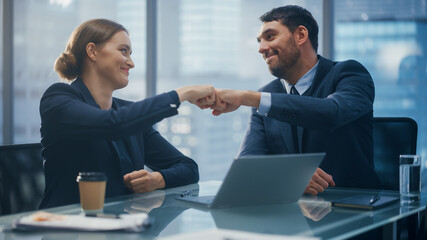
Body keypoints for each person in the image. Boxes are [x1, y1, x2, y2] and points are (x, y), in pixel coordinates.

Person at [39, 19, 215, 209]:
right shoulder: (58, 99)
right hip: (66, 231)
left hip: (120, 229)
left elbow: (188, 168)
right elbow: (111, 125)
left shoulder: (128, 115)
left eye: (131, 54)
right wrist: (182, 94)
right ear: (92, 51)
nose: (131, 63)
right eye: (123, 51)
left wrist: (157, 179)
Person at [211, 5, 381, 195]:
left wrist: (248, 98)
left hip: (356, 212)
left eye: (270, 36)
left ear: (300, 35)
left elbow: (332, 112)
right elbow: (248, 166)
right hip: (291, 217)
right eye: (259, 41)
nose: (261, 49)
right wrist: (292, 177)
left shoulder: (349, 74)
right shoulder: (267, 94)